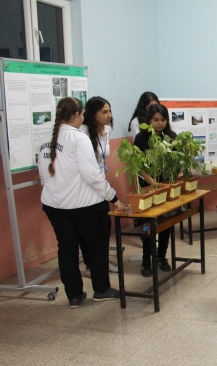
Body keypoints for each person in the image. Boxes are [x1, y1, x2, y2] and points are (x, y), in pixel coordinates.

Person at [37, 97, 123, 308]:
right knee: (97, 246)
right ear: (76, 115)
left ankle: (74, 295)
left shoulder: (44, 138)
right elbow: (92, 176)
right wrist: (113, 197)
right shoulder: (79, 138)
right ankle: (101, 290)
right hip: (85, 206)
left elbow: (43, 176)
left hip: (54, 206)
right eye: (82, 113)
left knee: (67, 249)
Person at [133, 103, 177, 277]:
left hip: (165, 187)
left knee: (165, 224)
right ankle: (146, 260)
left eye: (163, 119)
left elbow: (174, 163)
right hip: (147, 187)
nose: (159, 123)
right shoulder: (141, 138)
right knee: (147, 226)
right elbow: (138, 165)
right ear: (149, 120)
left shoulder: (171, 137)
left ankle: (161, 258)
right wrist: (152, 182)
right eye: (156, 120)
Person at [79, 96, 119, 276]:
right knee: (89, 228)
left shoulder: (106, 129)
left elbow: (102, 156)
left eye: (109, 111)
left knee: (104, 225)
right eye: (104, 112)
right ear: (93, 114)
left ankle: (101, 261)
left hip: (100, 182)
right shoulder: (83, 132)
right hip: (86, 184)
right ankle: (90, 265)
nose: (109, 115)